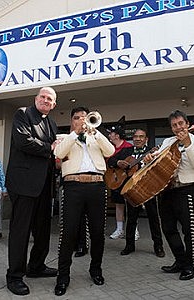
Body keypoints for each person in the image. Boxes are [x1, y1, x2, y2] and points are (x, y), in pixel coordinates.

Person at [53, 107, 115, 296]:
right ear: (71, 121)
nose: (81, 120)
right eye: (77, 118)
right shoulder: (65, 138)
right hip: (73, 187)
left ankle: (96, 270)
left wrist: (95, 132)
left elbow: (110, 150)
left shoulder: (95, 137)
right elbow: (59, 154)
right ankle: (63, 277)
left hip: (96, 186)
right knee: (68, 233)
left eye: (84, 118)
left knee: (98, 233)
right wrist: (75, 134)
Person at [5, 87, 59, 296]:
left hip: (45, 185)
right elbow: (23, 141)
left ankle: (36, 266)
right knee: (21, 232)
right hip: (23, 183)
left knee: (43, 229)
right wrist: (51, 148)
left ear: (54, 105)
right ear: (36, 99)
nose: (46, 101)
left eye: (50, 99)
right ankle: (14, 276)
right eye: (43, 97)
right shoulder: (23, 113)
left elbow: (55, 150)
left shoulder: (52, 123)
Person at [145, 110, 194, 280]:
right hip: (168, 191)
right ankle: (180, 260)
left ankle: (191, 265)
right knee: (168, 228)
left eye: (180, 123)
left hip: (188, 189)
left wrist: (186, 142)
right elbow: (158, 159)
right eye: (174, 125)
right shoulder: (168, 142)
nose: (178, 127)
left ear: (187, 124)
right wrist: (149, 158)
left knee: (189, 230)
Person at [118, 129, 165, 258]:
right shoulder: (126, 151)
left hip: (148, 188)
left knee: (153, 218)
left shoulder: (154, 151)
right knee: (131, 219)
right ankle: (129, 246)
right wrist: (118, 162)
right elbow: (111, 161)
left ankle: (158, 246)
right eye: (136, 136)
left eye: (141, 137)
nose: (138, 139)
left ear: (146, 139)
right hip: (131, 189)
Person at [107, 125, 133, 239]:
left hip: (127, 179)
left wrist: (115, 162)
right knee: (118, 205)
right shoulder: (109, 148)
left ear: (117, 136)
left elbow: (130, 163)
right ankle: (119, 229)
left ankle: (133, 230)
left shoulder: (129, 147)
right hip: (115, 180)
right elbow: (108, 162)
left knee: (131, 205)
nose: (109, 136)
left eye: (111, 134)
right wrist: (116, 162)